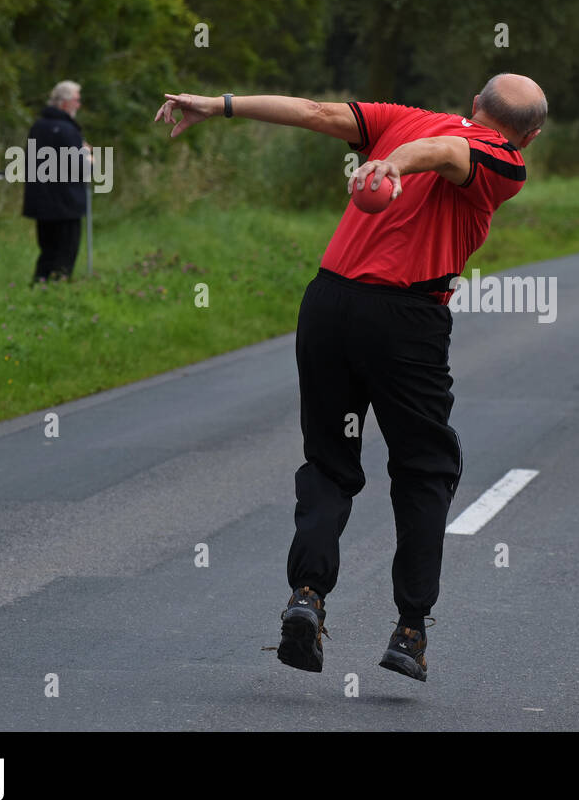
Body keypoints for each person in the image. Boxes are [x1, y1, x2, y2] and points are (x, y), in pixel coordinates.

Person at [156, 74, 544, 680]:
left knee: (329, 461)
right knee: (424, 468)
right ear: (533, 134)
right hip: (405, 319)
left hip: (329, 304)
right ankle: (410, 629)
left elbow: (313, 112)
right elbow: (444, 154)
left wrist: (218, 104)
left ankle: (307, 596)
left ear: (474, 103)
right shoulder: (506, 161)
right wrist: (392, 164)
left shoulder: (407, 119)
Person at [23, 81, 92, 282]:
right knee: (65, 254)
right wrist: (89, 156)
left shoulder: (37, 127)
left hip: (41, 203)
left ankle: (39, 287)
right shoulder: (68, 130)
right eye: (77, 100)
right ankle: (58, 293)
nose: (79, 105)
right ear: (64, 103)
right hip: (67, 204)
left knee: (47, 252)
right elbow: (80, 167)